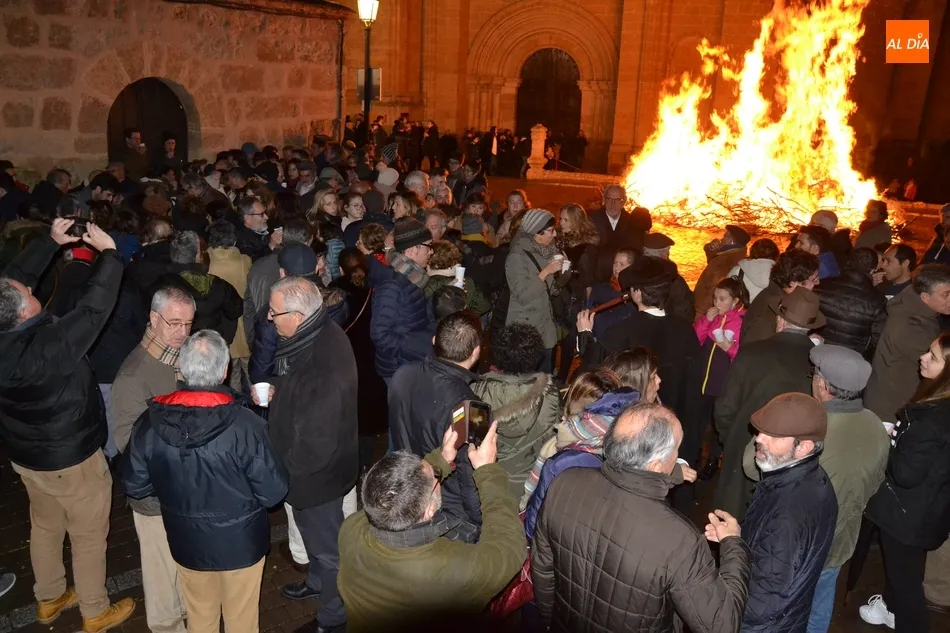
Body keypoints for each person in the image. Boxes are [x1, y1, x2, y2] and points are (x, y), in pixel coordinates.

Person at [0, 219, 136, 632]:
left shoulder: (8, 329)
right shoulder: (47, 348)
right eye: (28, 292)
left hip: (27, 455)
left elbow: (12, 281)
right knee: (88, 534)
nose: (30, 286)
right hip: (71, 457)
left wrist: (50, 242)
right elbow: (95, 308)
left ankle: (49, 597)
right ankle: (95, 611)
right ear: (24, 311)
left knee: (43, 525)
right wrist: (110, 254)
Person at [122, 330, 289, 633]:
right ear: (225, 370)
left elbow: (134, 485)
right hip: (241, 544)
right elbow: (273, 492)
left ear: (182, 369)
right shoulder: (246, 425)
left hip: (187, 542)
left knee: (200, 617)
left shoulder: (149, 422)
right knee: (241, 621)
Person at [532, 403, 751, 632]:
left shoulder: (564, 484)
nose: (678, 455)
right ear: (656, 465)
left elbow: (544, 571)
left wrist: (550, 622)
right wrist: (733, 545)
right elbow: (722, 625)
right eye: (676, 449)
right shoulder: (680, 540)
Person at [742, 346, 889, 633]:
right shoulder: (875, 426)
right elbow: (874, 485)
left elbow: (751, 466)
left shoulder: (805, 429)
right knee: (819, 610)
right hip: (840, 541)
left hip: (792, 544)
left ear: (821, 384)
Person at [338, 422, 525, 632]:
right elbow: (509, 548)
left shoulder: (352, 528)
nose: (437, 476)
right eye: (435, 478)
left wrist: (442, 458)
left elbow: (398, 495)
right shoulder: (451, 570)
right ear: (429, 510)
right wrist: (487, 470)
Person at [262, 276, 358, 633]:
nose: (269, 318)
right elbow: (299, 387)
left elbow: (315, 447)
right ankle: (316, 582)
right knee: (318, 542)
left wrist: (282, 473)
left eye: (274, 313)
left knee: (330, 551)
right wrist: (277, 389)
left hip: (317, 480)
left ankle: (333, 618)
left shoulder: (323, 364)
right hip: (315, 477)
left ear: (298, 317)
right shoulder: (318, 334)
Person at [577, 257, 702, 505]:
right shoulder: (685, 331)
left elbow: (595, 382)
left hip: (632, 435)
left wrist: (586, 335)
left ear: (635, 293)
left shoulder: (620, 332)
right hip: (672, 434)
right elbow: (693, 393)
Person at [111, 287, 196, 633]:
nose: (183, 333)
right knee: (163, 576)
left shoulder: (181, 356)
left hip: (184, 486)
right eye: (174, 323)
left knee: (186, 565)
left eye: (189, 323)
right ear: (153, 319)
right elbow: (127, 445)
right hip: (154, 495)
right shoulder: (133, 376)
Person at [860, 334, 950, 633]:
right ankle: (888, 607)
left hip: (906, 515)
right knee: (906, 570)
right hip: (932, 509)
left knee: (907, 582)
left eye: (933, 356)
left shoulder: (929, 419)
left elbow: (907, 474)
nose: (923, 357)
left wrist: (892, 442)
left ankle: (906, 619)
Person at [714, 287, 825, 520]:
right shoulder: (818, 364)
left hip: (745, 445)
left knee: (733, 523)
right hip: (792, 458)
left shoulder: (752, 353)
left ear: (780, 320)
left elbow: (725, 409)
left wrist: (733, 441)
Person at [737, 393, 837, 633]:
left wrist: (731, 546)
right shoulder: (810, 477)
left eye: (773, 435)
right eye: (761, 430)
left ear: (804, 447)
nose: (758, 439)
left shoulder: (789, 512)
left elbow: (759, 607)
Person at [389, 311, 484, 538]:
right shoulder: (473, 409)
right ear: (476, 352)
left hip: (409, 484)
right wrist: (479, 519)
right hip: (450, 509)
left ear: (434, 341)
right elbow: (472, 474)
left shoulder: (402, 375)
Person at [471, 323, 560, 497]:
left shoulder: (478, 391)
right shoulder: (549, 390)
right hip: (532, 481)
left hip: (491, 480)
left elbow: (474, 441)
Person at [865, 264, 950, 422]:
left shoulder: (913, 307)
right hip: (890, 409)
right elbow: (943, 370)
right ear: (925, 297)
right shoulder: (912, 328)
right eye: (946, 294)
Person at [370, 218, 436, 383]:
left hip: (411, 362)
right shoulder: (392, 286)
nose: (432, 252)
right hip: (398, 369)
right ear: (413, 250)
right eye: (429, 246)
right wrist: (418, 346)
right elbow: (380, 334)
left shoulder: (414, 277)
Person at [156, 231, 243, 344]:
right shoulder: (218, 284)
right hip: (210, 348)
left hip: (174, 348)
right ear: (198, 255)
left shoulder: (159, 286)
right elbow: (236, 309)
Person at [505, 209, 562, 371]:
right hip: (526, 331)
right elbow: (522, 295)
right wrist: (546, 272)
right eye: (551, 231)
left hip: (546, 329)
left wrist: (563, 274)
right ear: (537, 232)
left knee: (545, 380)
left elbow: (553, 291)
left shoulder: (548, 252)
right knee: (527, 381)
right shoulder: (516, 256)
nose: (555, 235)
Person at [814, 247, 887, 358]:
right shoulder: (877, 300)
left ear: (849, 263)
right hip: (851, 359)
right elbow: (877, 338)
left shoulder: (821, 285)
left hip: (818, 351)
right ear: (872, 270)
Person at [206, 220, 253, 391]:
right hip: (245, 325)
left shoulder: (207, 262)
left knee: (230, 378)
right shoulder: (244, 261)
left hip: (222, 328)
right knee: (252, 375)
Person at [742, 250, 820, 345]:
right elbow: (754, 354)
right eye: (814, 279)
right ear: (794, 284)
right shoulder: (770, 313)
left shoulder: (783, 298)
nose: (818, 282)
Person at [694, 224, 751, 317]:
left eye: (724, 236)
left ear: (731, 241)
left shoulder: (727, 261)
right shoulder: (728, 255)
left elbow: (714, 288)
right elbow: (712, 262)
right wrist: (711, 250)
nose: (721, 239)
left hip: (705, 311)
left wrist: (700, 312)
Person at [641, 232, 695, 321]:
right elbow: (684, 307)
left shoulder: (634, 273)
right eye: (668, 250)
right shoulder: (672, 278)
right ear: (663, 253)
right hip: (667, 326)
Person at [588, 184, 652, 253]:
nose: (613, 203)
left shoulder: (632, 223)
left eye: (617, 200)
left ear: (623, 202)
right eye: (609, 199)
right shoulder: (591, 221)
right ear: (604, 200)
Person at [729, 238, 780, 302]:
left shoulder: (738, 270)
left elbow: (725, 292)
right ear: (776, 254)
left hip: (742, 310)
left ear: (752, 251)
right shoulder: (780, 274)